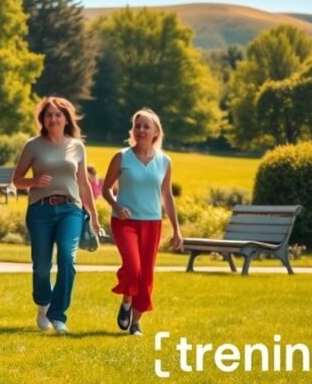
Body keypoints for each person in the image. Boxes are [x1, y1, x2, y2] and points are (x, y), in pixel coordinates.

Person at [11, 97, 101, 334]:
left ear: (66, 119)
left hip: (70, 209)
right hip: (40, 210)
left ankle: (58, 315)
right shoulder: (33, 145)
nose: (53, 118)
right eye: (48, 115)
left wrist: (93, 214)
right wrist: (34, 181)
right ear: (42, 119)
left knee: (67, 259)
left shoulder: (77, 147)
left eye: (58, 114)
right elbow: (16, 180)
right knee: (42, 266)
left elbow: (83, 183)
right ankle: (44, 304)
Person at [101, 108, 183, 336]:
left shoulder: (165, 161)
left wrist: (176, 229)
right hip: (124, 221)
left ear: (156, 132)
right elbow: (105, 188)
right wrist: (116, 205)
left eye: (147, 126)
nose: (141, 130)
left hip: (152, 223)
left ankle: (136, 322)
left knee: (146, 274)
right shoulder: (121, 157)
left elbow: (167, 196)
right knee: (133, 267)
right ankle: (127, 299)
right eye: (137, 126)